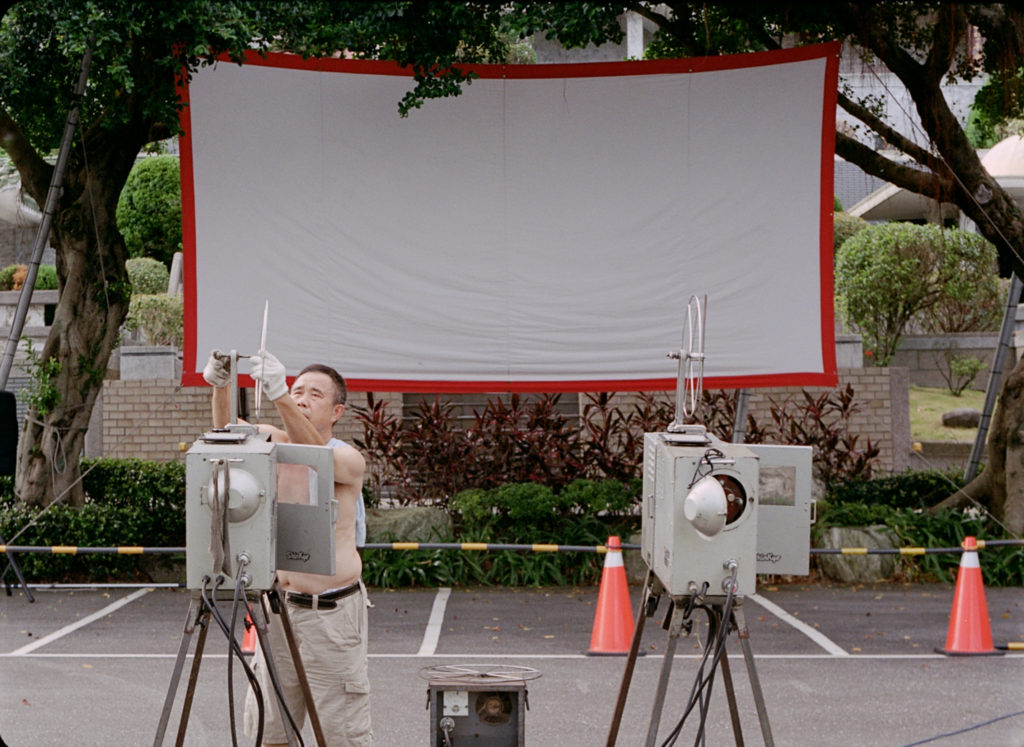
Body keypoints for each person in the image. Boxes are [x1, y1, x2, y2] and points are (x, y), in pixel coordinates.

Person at [203, 348, 373, 746]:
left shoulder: (348, 459)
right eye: (297, 389)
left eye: (315, 394)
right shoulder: (273, 442)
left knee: (340, 735)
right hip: (278, 610)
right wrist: (221, 384)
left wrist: (279, 394)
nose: (302, 397)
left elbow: (315, 459)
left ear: (337, 412)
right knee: (271, 729)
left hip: (330, 615)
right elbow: (228, 432)